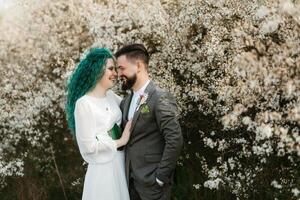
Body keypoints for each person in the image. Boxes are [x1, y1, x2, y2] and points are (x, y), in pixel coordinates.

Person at [115, 44, 183, 200]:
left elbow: (175, 139)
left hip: (153, 185)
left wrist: (160, 177)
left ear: (138, 66)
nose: (119, 74)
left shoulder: (160, 97)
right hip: (129, 184)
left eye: (122, 68)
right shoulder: (125, 102)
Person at [65, 48, 131, 200]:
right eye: (110, 68)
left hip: (120, 164)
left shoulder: (111, 96)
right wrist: (120, 141)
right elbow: (88, 147)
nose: (115, 73)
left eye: (115, 68)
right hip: (103, 170)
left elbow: (131, 111)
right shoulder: (84, 104)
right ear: (96, 70)